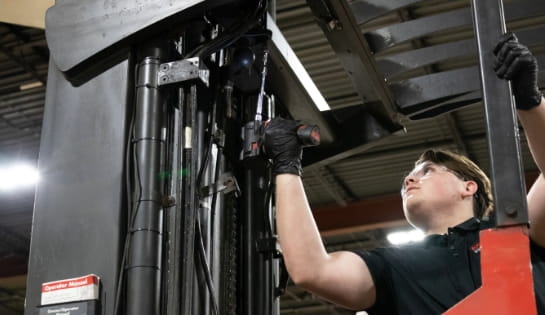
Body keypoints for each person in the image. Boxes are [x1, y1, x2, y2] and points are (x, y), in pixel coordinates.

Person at [263, 33, 545, 314]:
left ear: (468, 187)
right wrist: (287, 166)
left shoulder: (512, 232)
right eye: (408, 178)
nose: (409, 180)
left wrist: (530, 102)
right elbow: (312, 272)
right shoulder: (392, 266)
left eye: (427, 171)